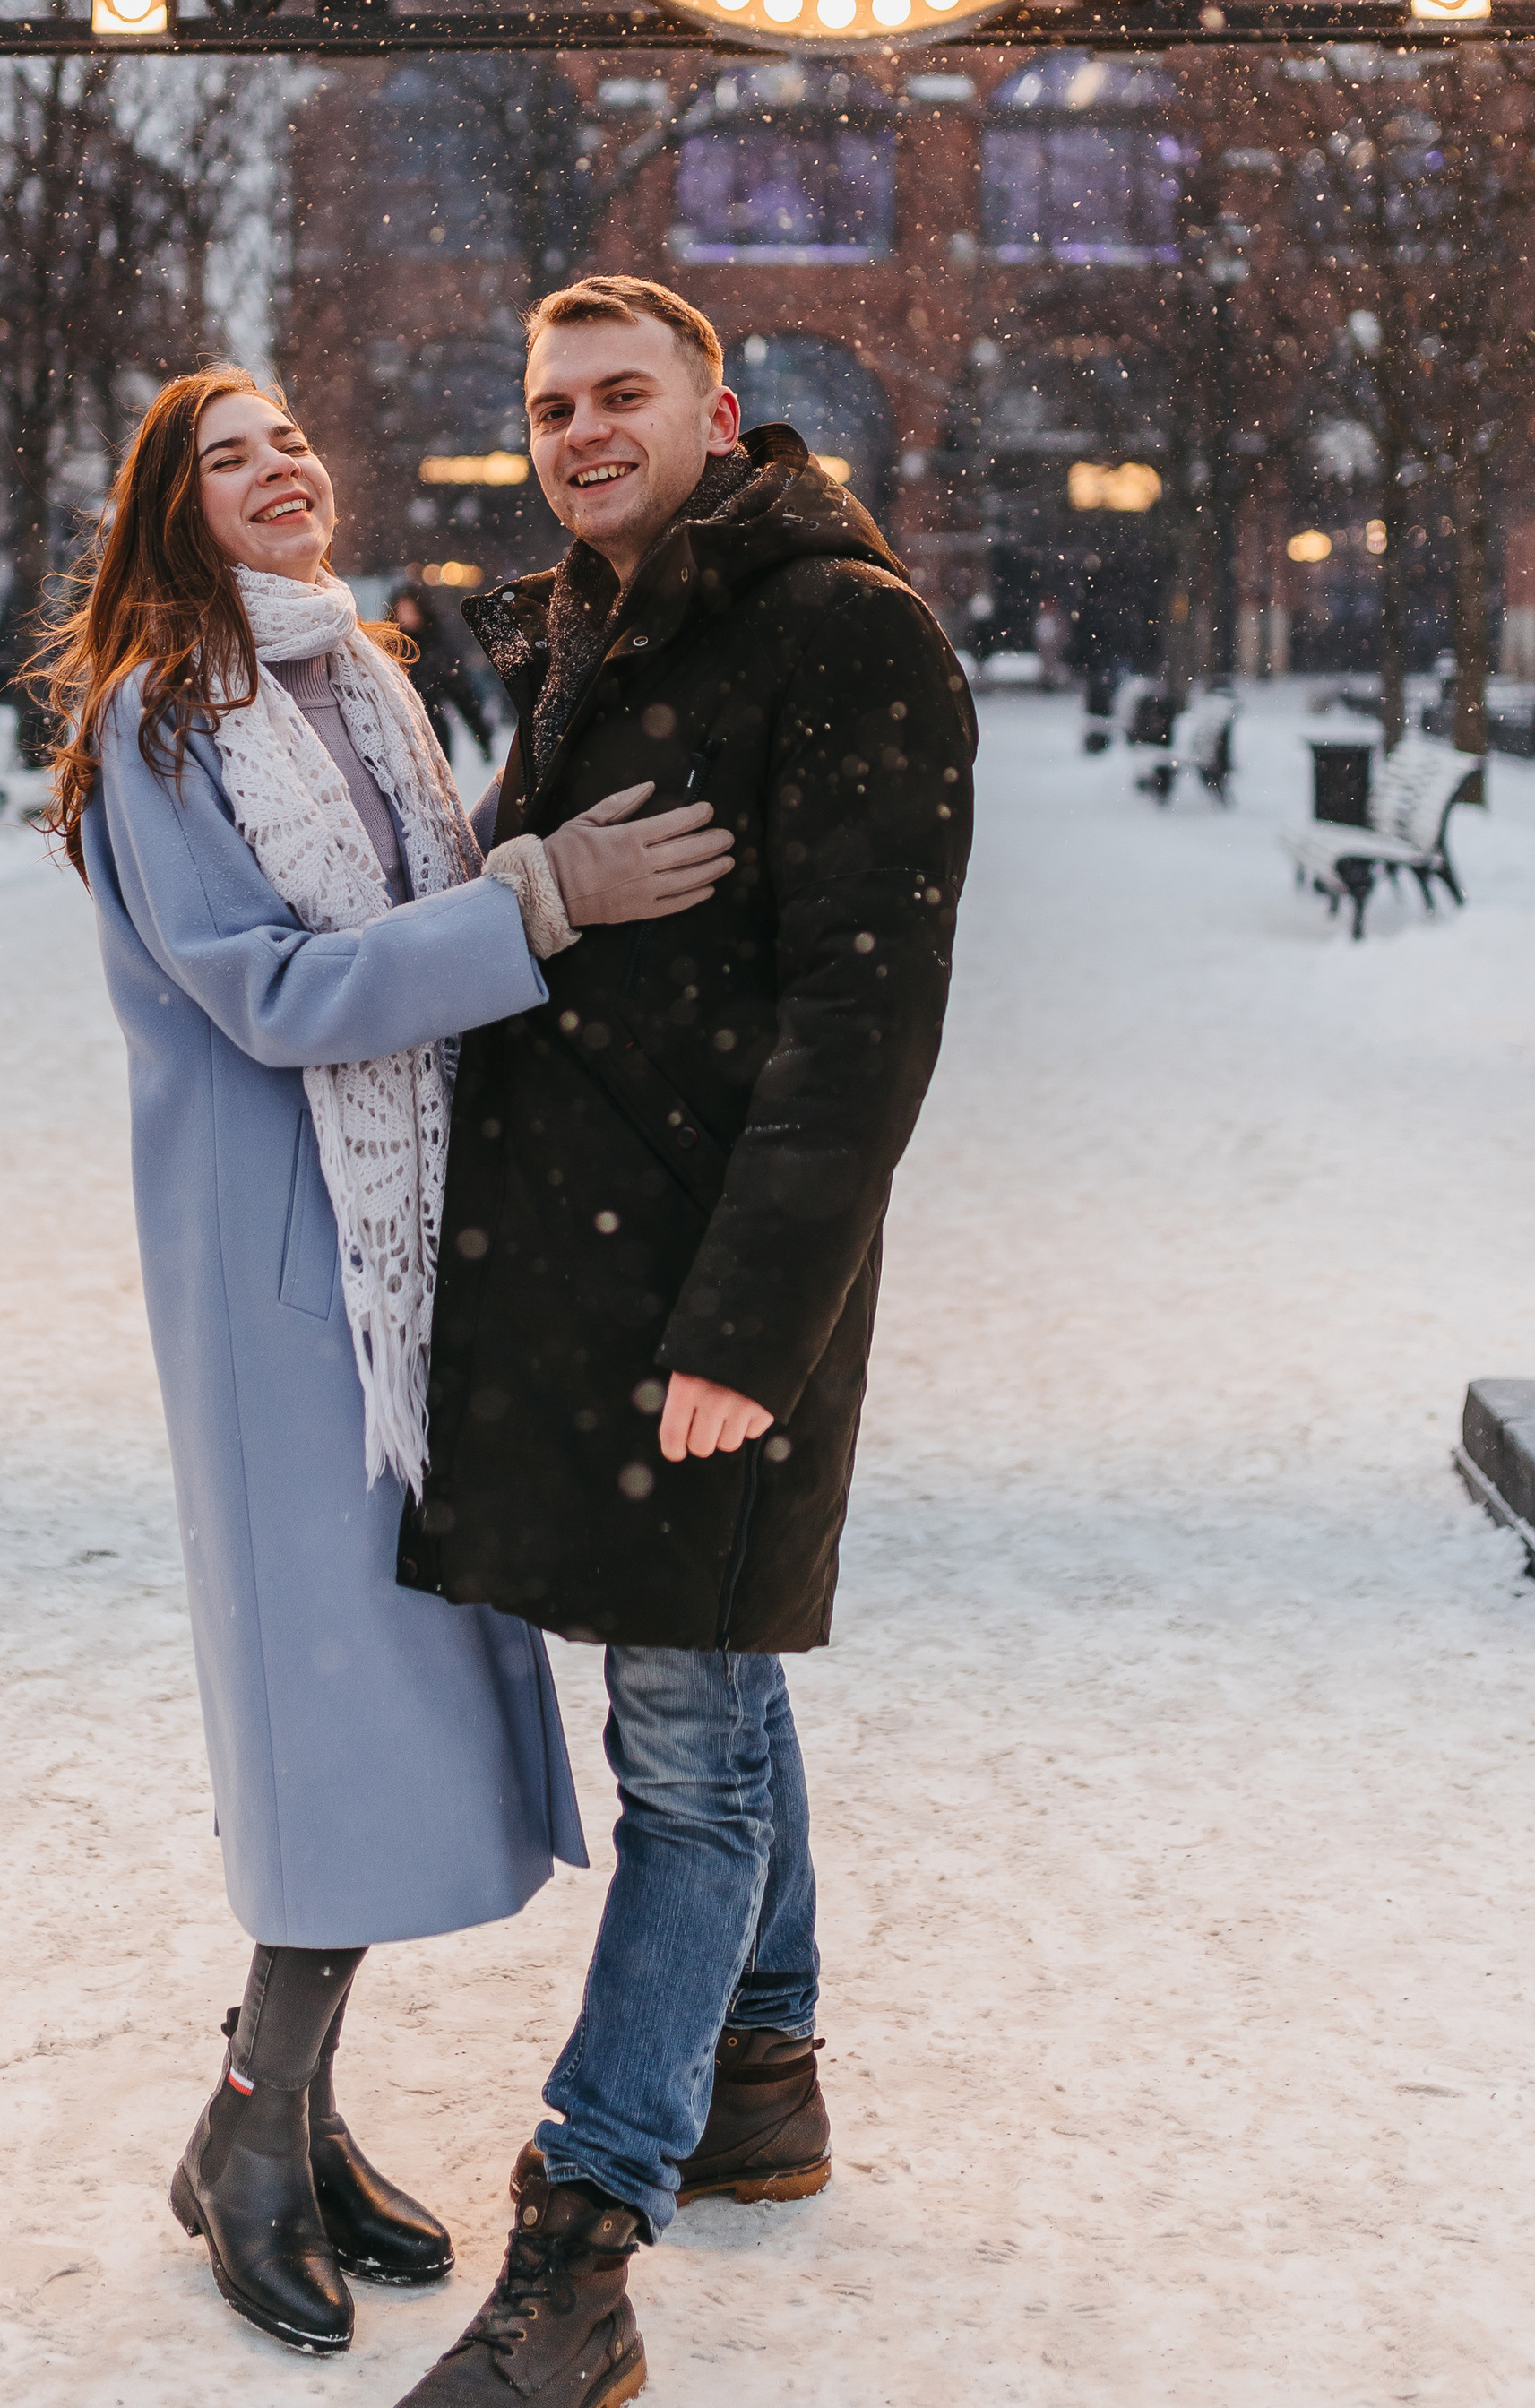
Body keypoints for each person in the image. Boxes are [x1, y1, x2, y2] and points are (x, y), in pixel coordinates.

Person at [31, 365, 733, 2362]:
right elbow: (267, 994)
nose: (279, 469)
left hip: (402, 1257)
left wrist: (533, 856)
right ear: (172, 510)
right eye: (227, 456)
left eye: (287, 442)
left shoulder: (362, 674)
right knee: (324, 1708)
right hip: (281, 1280)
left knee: (375, 1693)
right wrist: (538, 904)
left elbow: (420, 898)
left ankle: (283, 2122)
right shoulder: (162, 718)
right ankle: (253, 2132)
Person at [391, 278, 976, 2408]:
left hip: (707, 1298)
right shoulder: (596, 625)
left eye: (618, 394)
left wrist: (749, 1329)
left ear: (717, 416)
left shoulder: (841, 632)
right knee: (706, 1673)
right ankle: (760, 2072)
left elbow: (860, 1020)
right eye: (549, 403)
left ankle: (582, 2238)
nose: (577, 430)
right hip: (588, 1283)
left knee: (684, 1753)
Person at [392, 578, 500, 763]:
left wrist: (482, 736)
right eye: (402, 610)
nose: (406, 617)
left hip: (432, 734)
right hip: (396, 735)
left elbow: (463, 695)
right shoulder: (388, 648)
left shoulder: (437, 648)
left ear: (421, 611)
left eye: (411, 610)